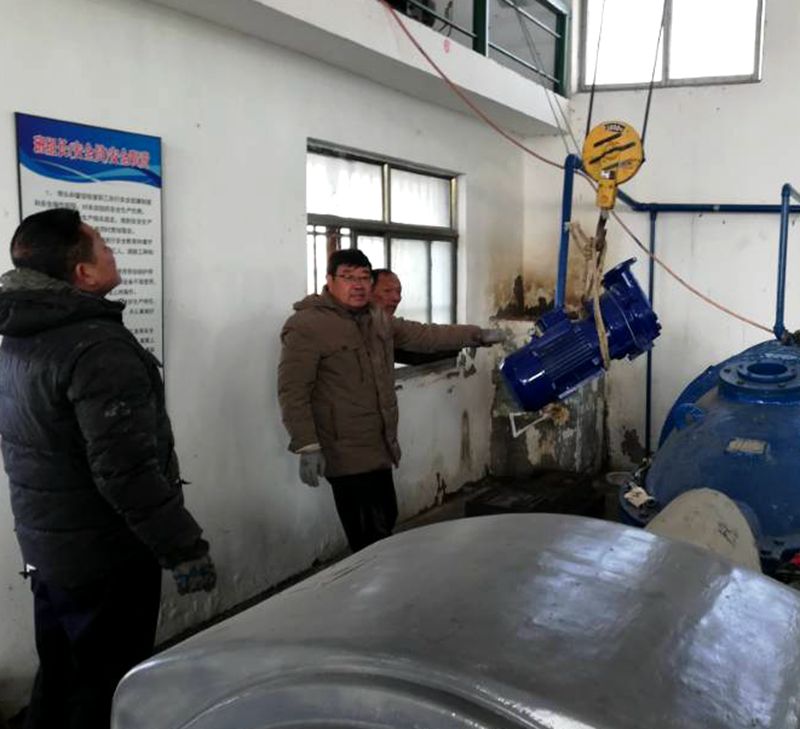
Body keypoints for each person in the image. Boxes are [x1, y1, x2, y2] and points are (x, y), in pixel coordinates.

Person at [0, 209, 216, 729]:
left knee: (61, 675)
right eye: (103, 246)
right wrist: (182, 547)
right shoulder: (96, 347)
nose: (112, 253)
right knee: (106, 685)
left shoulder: (22, 334)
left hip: (48, 547)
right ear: (83, 273)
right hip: (105, 556)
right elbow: (126, 471)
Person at [278, 249, 503, 552]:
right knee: (368, 534)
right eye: (348, 277)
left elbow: (426, 335)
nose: (357, 285)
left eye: (363, 278)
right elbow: (292, 390)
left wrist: (476, 335)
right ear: (329, 280)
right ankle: (368, 580)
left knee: (384, 519)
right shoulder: (308, 325)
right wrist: (307, 445)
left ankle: (380, 576)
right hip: (344, 448)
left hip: (379, 443)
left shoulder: (377, 319)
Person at [371, 268, 461, 365]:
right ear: (368, 293)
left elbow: (418, 348)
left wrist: (462, 345)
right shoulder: (363, 328)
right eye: (387, 291)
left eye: (398, 291)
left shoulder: (388, 327)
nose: (397, 298)